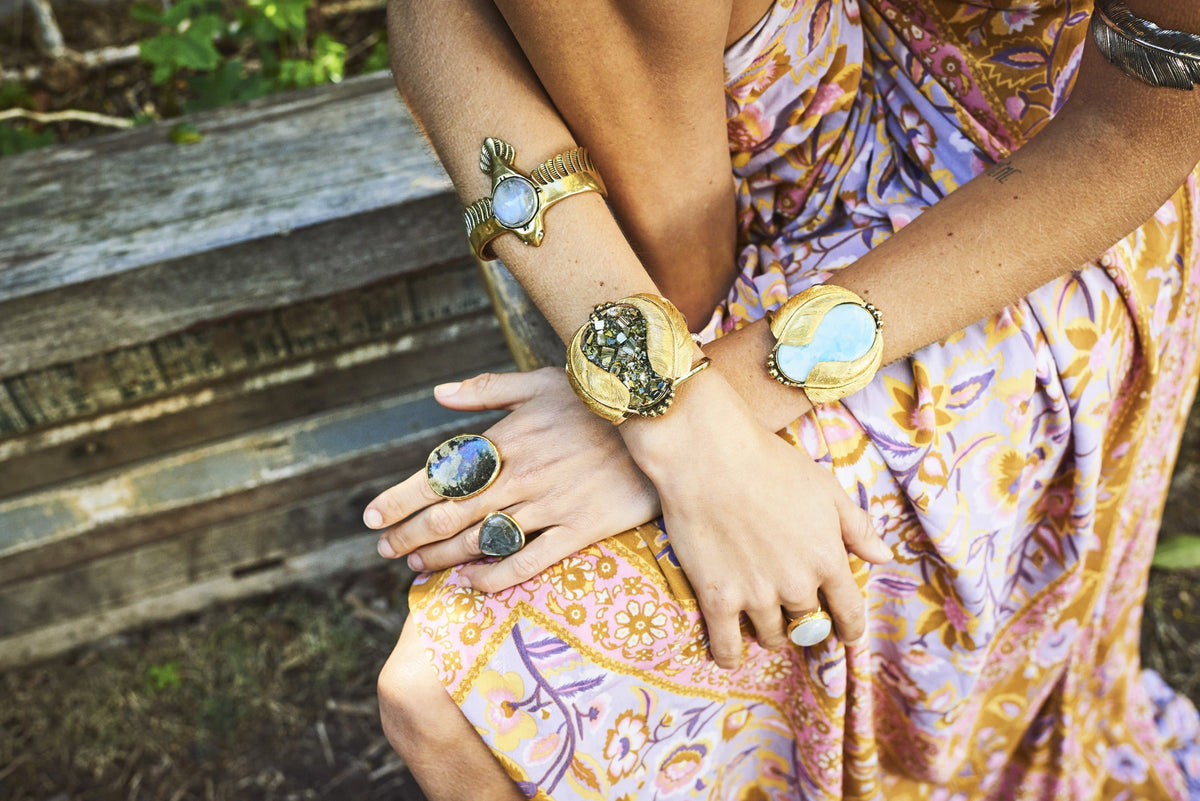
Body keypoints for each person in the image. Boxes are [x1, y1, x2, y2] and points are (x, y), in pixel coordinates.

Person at [367, 0, 1200, 797]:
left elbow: (1135, 127)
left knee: (438, 697)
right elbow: (433, 14)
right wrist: (676, 420)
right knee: (438, 704)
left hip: (1035, 199)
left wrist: (683, 402)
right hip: (797, 79)